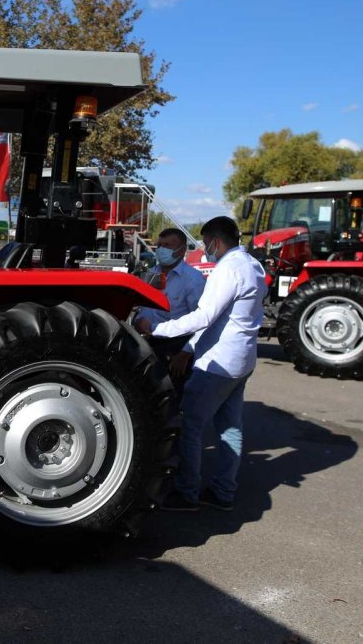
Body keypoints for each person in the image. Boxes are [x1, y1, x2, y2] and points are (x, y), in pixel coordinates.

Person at [136, 216, 266, 512]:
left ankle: (187, 493)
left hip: (218, 362)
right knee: (230, 426)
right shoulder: (252, 265)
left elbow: (203, 317)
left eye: (206, 243)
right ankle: (223, 491)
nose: (205, 249)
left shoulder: (227, 269)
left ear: (215, 242)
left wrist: (156, 330)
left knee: (190, 425)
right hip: (242, 358)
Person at [133, 228, 206, 408]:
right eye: (159, 245)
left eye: (167, 245)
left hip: (174, 351)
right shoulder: (150, 274)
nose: (161, 249)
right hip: (147, 346)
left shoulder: (193, 280)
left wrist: (185, 354)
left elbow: (203, 322)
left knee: (171, 402)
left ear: (181, 250)